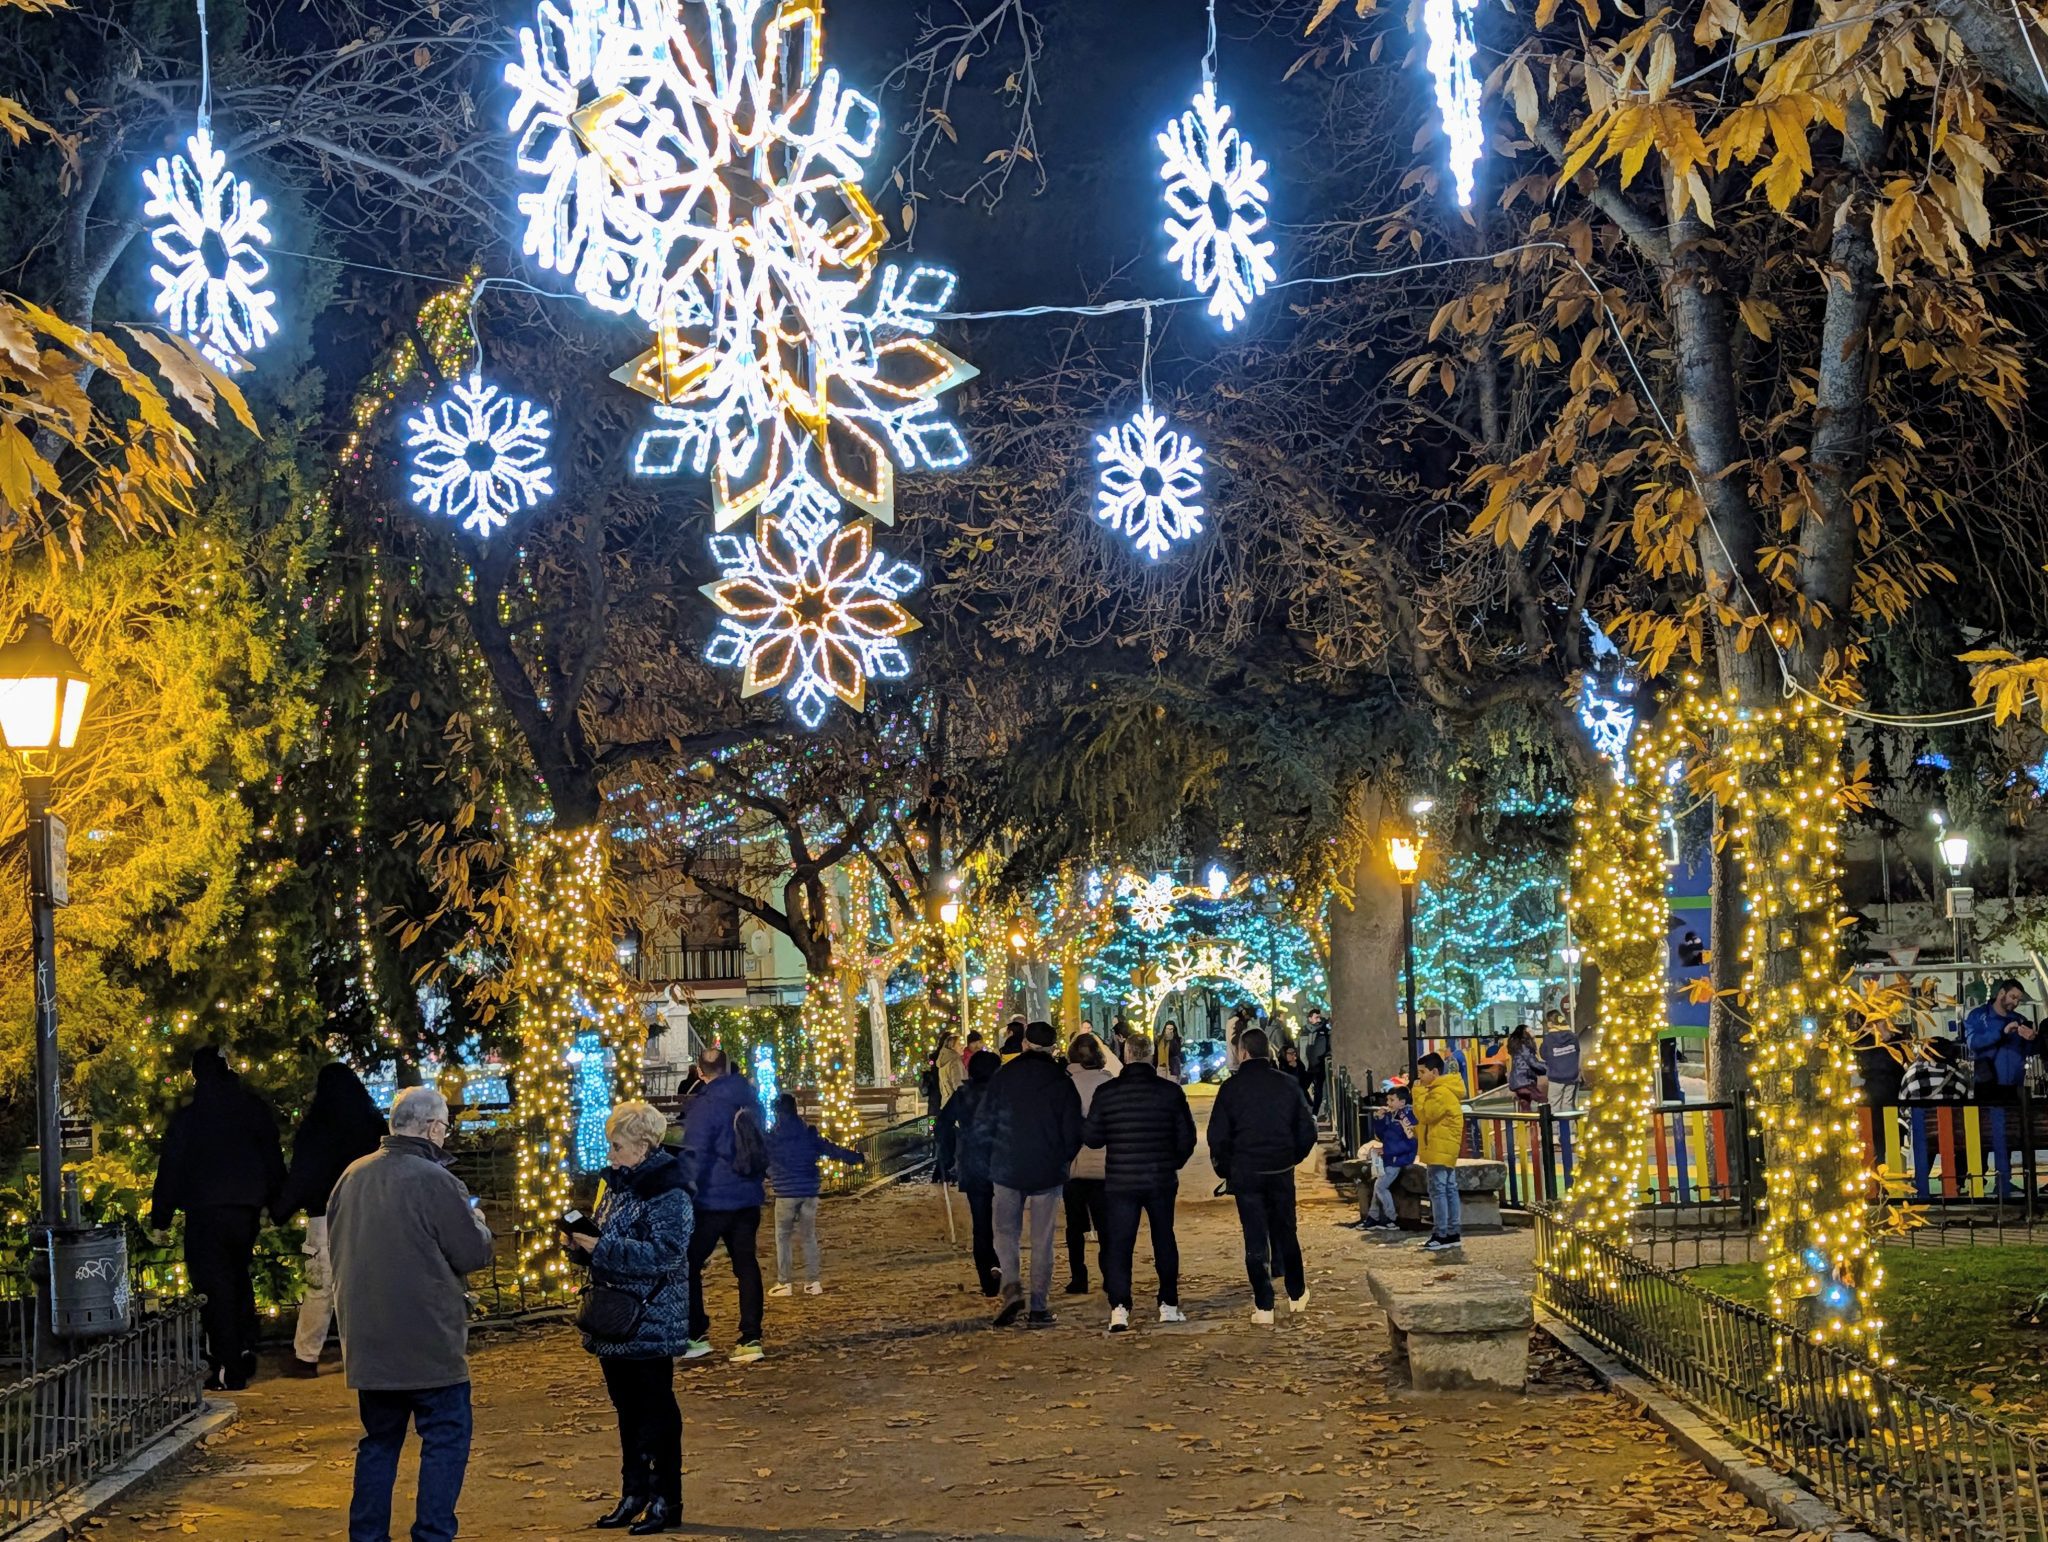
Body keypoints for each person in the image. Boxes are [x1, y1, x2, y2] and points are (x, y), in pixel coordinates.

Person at [329, 1086, 495, 1542]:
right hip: (428, 1336)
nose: (445, 1135)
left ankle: (368, 1536)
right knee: (445, 1437)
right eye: (445, 1128)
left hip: (368, 1338)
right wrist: (480, 1226)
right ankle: (433, 1533)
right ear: (431, 1127)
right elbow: (471, 1253)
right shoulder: (435, 1179)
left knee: (379, 1442)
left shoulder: (351, 1176)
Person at [565, 1101, 692, 1534]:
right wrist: (582, 1246)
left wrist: (601, 1248)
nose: (611, 1154)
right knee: (628, 1410)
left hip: (650, 1315)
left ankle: (665, 1498)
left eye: (617, 1146)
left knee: (655, 1410)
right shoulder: (618, 1184)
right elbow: (610, 1237)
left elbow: (667, 1254)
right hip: (615, 1315)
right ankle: (634, 1492)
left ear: (643, 1145)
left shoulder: (668, 1189)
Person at [148, 1046, 287, 1390]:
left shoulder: (190, 1117)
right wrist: (276, 1204)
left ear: (196, 1075)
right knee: (239, 1276)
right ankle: (244, 1346)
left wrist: (161, 1217)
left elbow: (172, 1167)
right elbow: (271, 1155)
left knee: (214, 1287)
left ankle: (227, 1365)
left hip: (205, 1210)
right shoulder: (251, 1108)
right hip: (245, 1209)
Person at [277, 1062, 387, 1377]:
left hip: (323, 1216)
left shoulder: (316, 1128)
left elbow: (303, 1176)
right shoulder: (373, 1126)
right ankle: (366, 1353)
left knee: (320, 1286)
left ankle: (306, 1356)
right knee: (366, 1284)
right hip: (368, 1214)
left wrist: (281, 1210)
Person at [1082, 1029, 1196, 1332]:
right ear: (1150, 1056)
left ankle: (1119, 1307)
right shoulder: (1169, 1092)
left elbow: (1092, 1137)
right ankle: (1168, 1304)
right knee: (1164, 1238)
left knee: (1119, 1243)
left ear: (1126, 1054)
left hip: (1121, 1178)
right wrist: (1173, 1162)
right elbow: (1186, 1137)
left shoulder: (1107, 1092)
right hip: (1160, 1177)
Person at [1207, 1027, 1318, 1324]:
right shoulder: (1287, 1084)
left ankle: (1264, 1305)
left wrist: (1227, 1168)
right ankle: (1296, 1293)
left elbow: (1217, 1136)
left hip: (1247, 1171)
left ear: (1243, 1052)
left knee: (1255, 1237)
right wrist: (1292, 1157)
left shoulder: (1231, 1089)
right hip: (1280, 1169)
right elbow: (1307, 1129)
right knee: (1286, 1231)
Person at [983, 1021, 1084, 1328]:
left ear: (1025, 1044)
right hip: (1047, 1168)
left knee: (1005, 1233)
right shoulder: (1061, 1080)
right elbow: (1073, 1129)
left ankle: (1012, 1288)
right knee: (1042, 1239)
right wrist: (1063, 1158)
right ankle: (1039, 1306)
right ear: (1053, 1049)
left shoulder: (1003, 1076)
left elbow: (986, 1120)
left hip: (1007, 1165)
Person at [679, 1047, 769, 1363]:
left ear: (699, 1072)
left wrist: (684, 1188)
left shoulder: (705, 1106)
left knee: (688, 1263)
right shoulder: (750, 1098)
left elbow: (695, 1153)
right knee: (746, 1265)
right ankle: (751, 1338)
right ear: (728, 1067)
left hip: (711, 1200)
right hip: (747, 1197)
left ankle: (696, 1333)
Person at [766, 1091, 865, 1295]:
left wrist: (768, 1173)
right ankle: (813, 1282)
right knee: (808, 1237)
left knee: (783, 1238)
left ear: (776, 1112)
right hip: (808, 1191)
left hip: (785, 1192)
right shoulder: (808, 1134)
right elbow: (832, 1150)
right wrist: (857, 1158)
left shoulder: (772, 1138)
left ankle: (785, 1282)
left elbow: (760, 1159)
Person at [1964, 978, 2040, 1198]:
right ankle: (1984, 1181)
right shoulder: (1979, 1015)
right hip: (1988, 1083)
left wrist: (2031, 1039)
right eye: (2013, 997)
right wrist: (2002, 1032)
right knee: (1989, 1133)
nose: (2015, 1003)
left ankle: (2005, 1181)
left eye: (2018, 999)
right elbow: (1973, 1043)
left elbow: (2029, 1051)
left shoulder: (2019, 1020)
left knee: (2009, 1133)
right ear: (2001, 993)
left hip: (2014, 1085)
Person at [939, 1050, 1003, 1294]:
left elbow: (942, 1124)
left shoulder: (962, 1094)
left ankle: (988, 1276)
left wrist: (947, 1153)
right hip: (1003, 1160)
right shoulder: (1003, 1094)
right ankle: (1001, 1264)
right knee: (1007, 1221)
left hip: (974, 1161)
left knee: (981, 1223)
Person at [1062, 1034, 1116, 1296]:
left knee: (1074, 1226)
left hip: (1074, 1163)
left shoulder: (1067, 1084)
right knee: (1106, 1226)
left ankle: (1078, 1277)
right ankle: (1109, 1275)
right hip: (1105, 1162)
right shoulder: (1109, 1083)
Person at [1413, 1052, 1466, 1252]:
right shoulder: (1445, 1089)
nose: (1419, 1077)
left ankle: (1441, 1233)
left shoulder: (1439, 1092)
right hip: (1444, 1146)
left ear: (1434, 1072)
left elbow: (1425, 1115)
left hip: (1439, 1147)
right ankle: (1452, 1232)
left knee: (1438, 1190)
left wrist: (1418, 1093)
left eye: (1422, 1072)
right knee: (1449, 1188)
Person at [1359, 1088, 1417, 1227]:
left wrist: (1391, 1153)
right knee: (1378, 1185)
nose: (1388, 1103)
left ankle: (1392, 1218)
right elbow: (1382, 1135)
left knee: (1380, 1186)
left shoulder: (1407, 1118)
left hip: (1398, 1159)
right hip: (1389, 1157)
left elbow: (1411, 1141)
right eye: (1387, 1100)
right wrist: (1379, 1119)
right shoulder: (1390, 1115)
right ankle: (1373, 1216)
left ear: (1402, 1102)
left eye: (1392, 1100)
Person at [931, 1031, 967, 1181]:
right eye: (960, 1044)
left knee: (947, 1142)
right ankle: (952, 1172)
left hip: (945, 1104)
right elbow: (958, 1085)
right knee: (956, 1142)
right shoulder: (954, 1061)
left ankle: (941, 1172)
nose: (963, 1047)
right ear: (952, 1046)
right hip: (955, 1105)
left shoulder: (942, 1062)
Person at [1505, 1025, 1543, 1113]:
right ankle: (1543, 1119)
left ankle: (1527, 1120)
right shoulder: (1524, 1047)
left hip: (1517, 1082)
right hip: (1525, 1081)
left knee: (1525, 1105)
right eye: (1530, 1030)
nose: (1533, 1032)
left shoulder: (1517, 1046)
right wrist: (1548, 1068)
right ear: (1525, 1033)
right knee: (1542, 1099)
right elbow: (1533, 1063)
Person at [1301, 1010, 1332, 1114]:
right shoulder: (1304, 1031)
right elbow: (1302, 1049)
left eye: (1319, 1017)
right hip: (1308, 1066)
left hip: (1320, 1066)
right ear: (1310, 1019)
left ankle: (1315, 1113)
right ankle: (1310, 1107)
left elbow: (1328, 1047)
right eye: (1316, 1017)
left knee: (1319, 1089)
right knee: (1302, 1088)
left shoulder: (1325, 1031)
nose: (1319, 1020)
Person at [1160, 1020, 1185, 1084]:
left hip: (1173, 1065)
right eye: (1168, 1029)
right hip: (1162, 1065)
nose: (1169, 1031)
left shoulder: (1177, 1040)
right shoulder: (1160, 1040)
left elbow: (1178, 1052)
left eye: (1171, 1029)